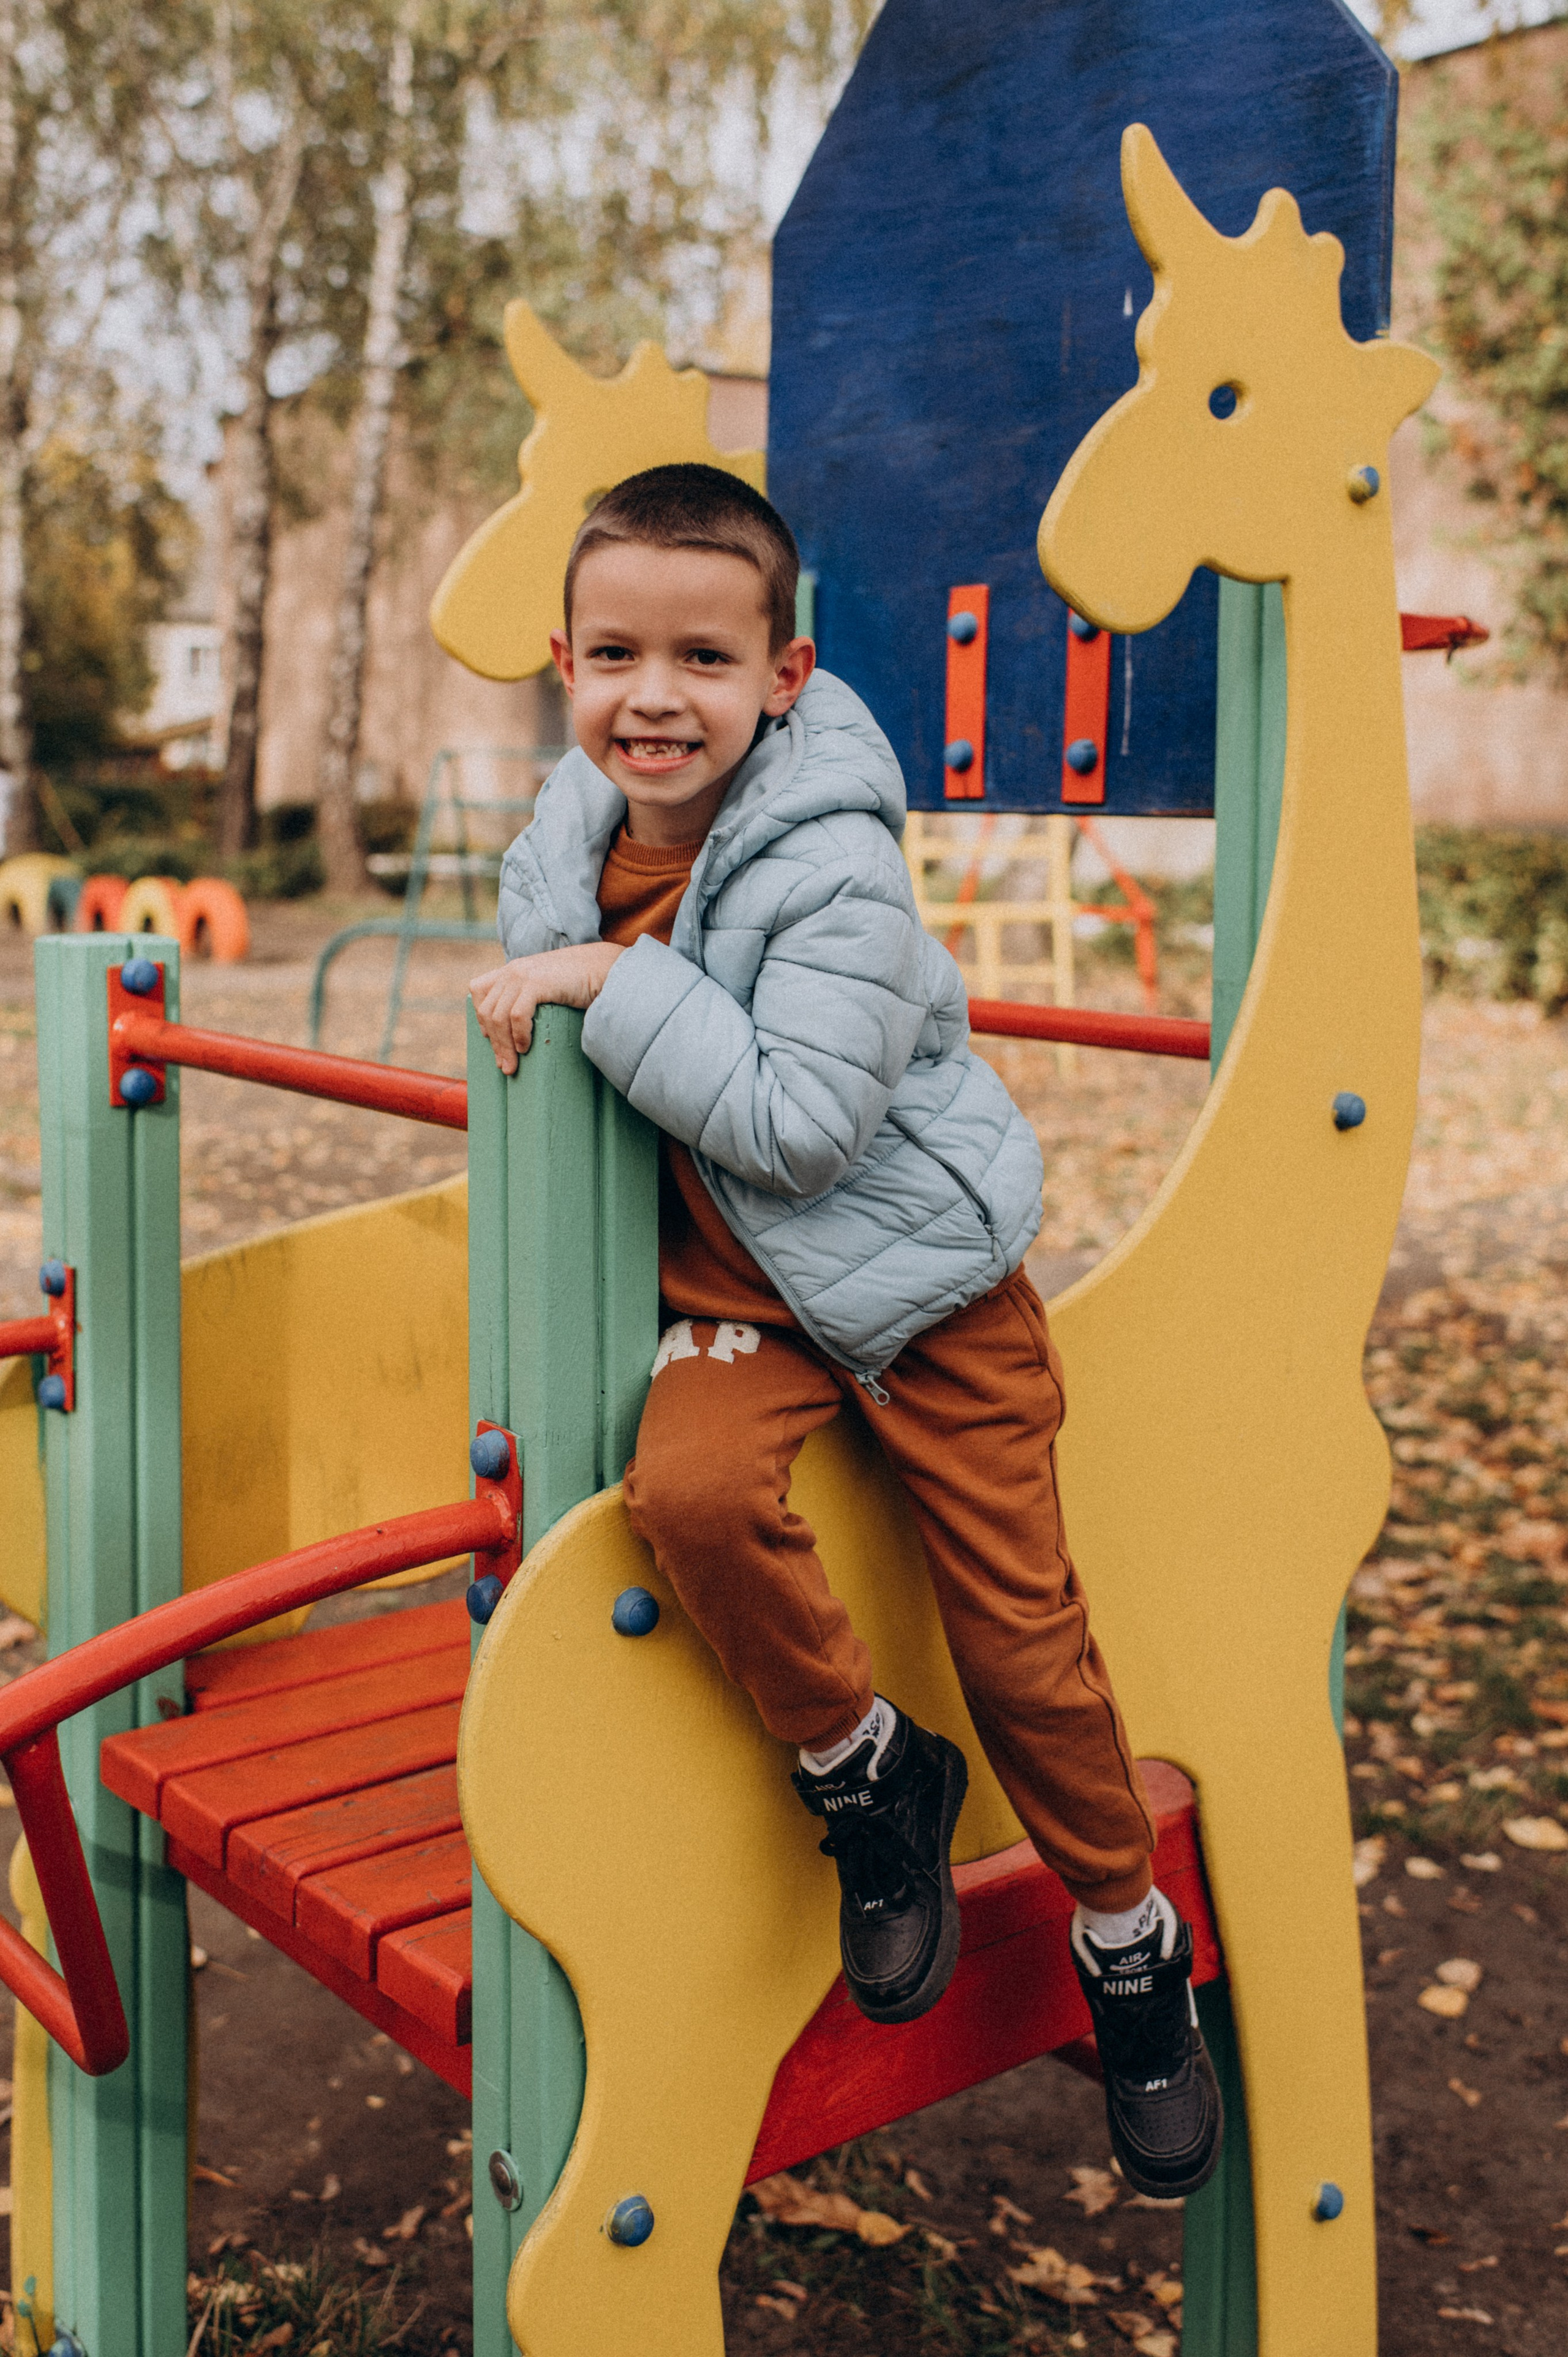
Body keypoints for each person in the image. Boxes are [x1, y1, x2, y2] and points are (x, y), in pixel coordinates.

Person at [470, 462, 1221, 2199]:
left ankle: (1127, 1942)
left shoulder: (833, 867)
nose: (654, 696)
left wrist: (610, 984)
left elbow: (802, 1124)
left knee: (1023, 1643)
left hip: (918, 1282)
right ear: (563, 664)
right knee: (694, 1497)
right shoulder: (563, 844)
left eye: (704, 660)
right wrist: (565, 972)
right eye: (613, 655)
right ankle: (866, 1772)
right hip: (746, 1300)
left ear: (782, 677)